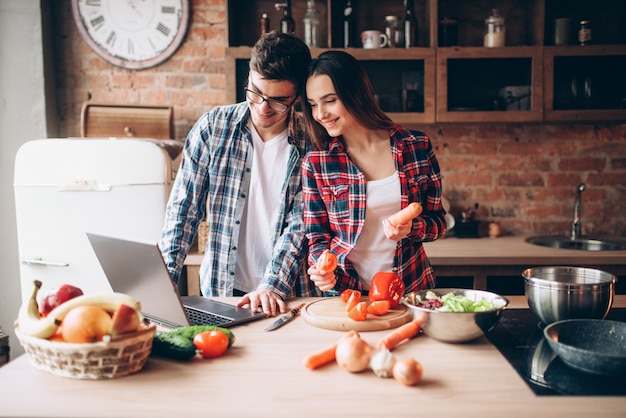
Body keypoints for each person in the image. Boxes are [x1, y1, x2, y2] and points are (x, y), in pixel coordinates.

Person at [159, 32, 319, 317]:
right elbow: (183, 211)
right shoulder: (213, 128)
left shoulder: (313, 143)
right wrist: (164, 280)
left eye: (278, 100)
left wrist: (271, 286)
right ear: (249, 76)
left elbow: (300, 226)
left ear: (298, 95)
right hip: (222, 290)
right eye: (255, 92)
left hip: (289, 294)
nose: (262, 108)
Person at [300, 50, 447, 295]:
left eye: (330, 100)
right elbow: (317, 238)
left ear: (356, 94)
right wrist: (321, 268)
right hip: (346, 294)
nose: (320, 114)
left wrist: (412, 228)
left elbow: (438, 223)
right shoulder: (317, 162)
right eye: (313, 104)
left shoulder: (415, 146)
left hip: (410, 290)